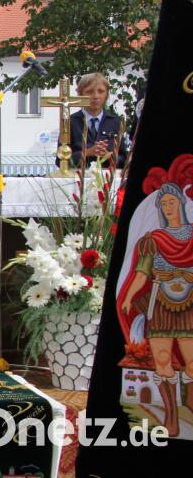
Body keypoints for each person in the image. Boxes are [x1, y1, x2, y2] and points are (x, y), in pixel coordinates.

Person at [120, 182, 193, 437]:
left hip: (189, 303)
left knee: (192, 362)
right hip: (160, 302)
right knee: (162, 362)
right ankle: (170, 415)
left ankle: (191, 400)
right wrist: (128, 297)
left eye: (172, 201)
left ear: (181, 204)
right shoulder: (153, 240)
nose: (168, 206)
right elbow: (141, 273)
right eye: (163, 204)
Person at [61, 73, 127, 169]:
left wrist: (109, 156)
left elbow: (124, 159)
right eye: (89, 92)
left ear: (107, 94)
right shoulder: (70, 122)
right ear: (80, 94)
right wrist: (87, 153)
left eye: (101, 91)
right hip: (77, 178)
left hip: (107, 179)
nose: (96, 96)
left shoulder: (115, 122)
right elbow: (60, 161)